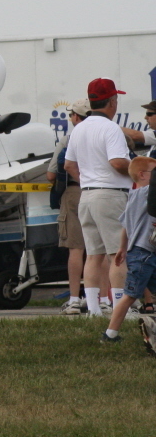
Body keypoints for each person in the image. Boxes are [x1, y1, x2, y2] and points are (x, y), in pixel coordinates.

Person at [65, 78, 132, 317]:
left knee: (93, 255)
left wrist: (88, 180)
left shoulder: (79, 128)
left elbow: (69, 165)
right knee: (118, 255)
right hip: (110, 195)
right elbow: (117, 162)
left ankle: (94, 309)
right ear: (112, 101)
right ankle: (119, 309)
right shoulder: (111, 128)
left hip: (87, 195)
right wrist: (138, 169)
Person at [100, 156, 156, 344]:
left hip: (141, 251)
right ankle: (110, 335)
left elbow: (125, 226)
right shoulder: (147, 193)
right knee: (130, 295)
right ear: (142, 175)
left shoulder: (133, 196)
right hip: (143, 253)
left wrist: (122, 248)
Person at [48, 99, 89, 315]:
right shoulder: (106, 134)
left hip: (73, 193)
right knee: (99, 251)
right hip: (99, 191)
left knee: (76, 249)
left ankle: (74, 299)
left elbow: (51, 174)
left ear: (75, 117)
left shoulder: (68, 140)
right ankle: (100, 299)